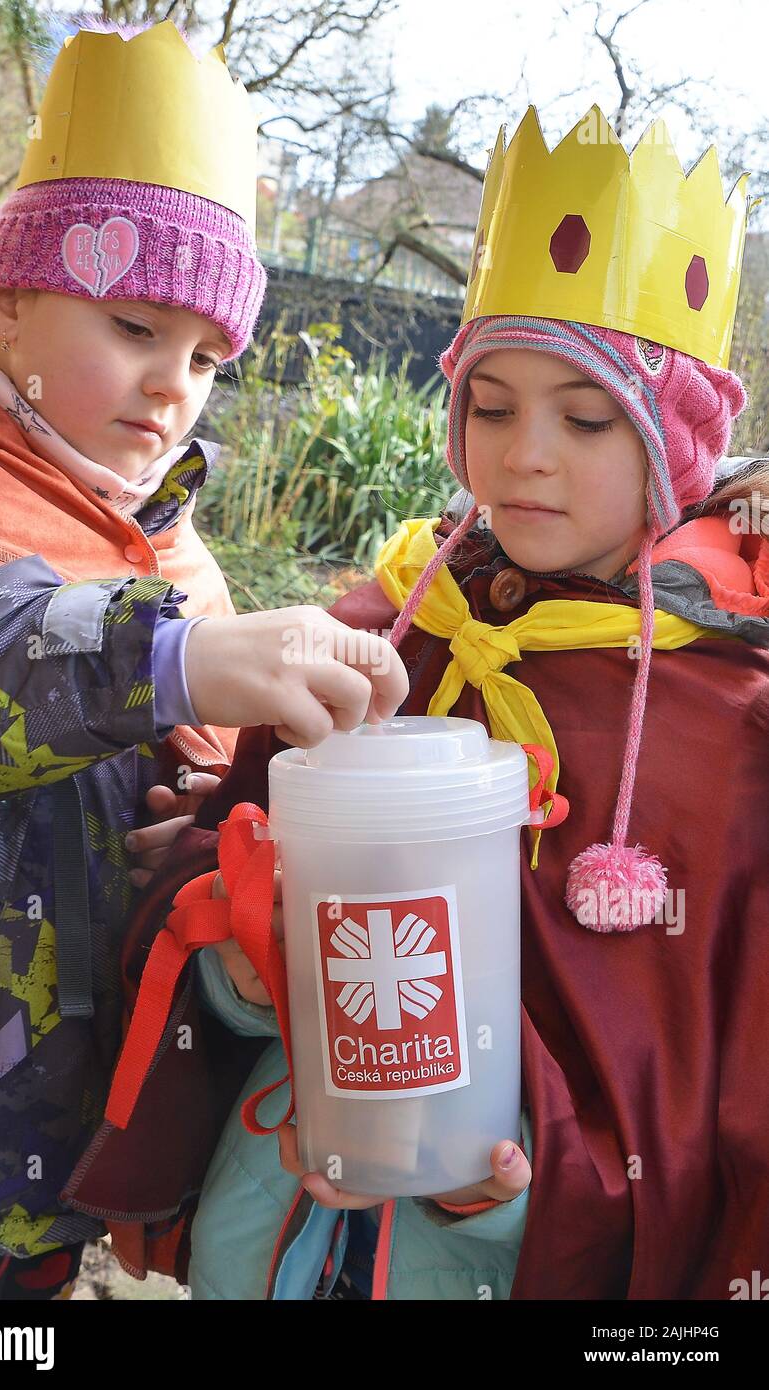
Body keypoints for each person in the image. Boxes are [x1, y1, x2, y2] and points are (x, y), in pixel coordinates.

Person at [123, 104, 768, 1299]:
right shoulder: (386, 630)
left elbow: (705, 1073)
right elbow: (236, 880)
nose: (522, 454)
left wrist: (502, 1201)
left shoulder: (723, 720)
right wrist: (246, 958)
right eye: (490, 403)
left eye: (584, 418)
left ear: (674, 445)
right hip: (272, 1226)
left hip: (491, 1257)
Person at [0, 18, 406, 1300]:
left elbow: (173, 771)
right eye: (132, 325)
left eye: (203, 359)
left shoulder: (173, 555)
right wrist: (173, 668)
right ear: (4, 294)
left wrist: (191, 816)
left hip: (38, 1158)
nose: (170, 386)